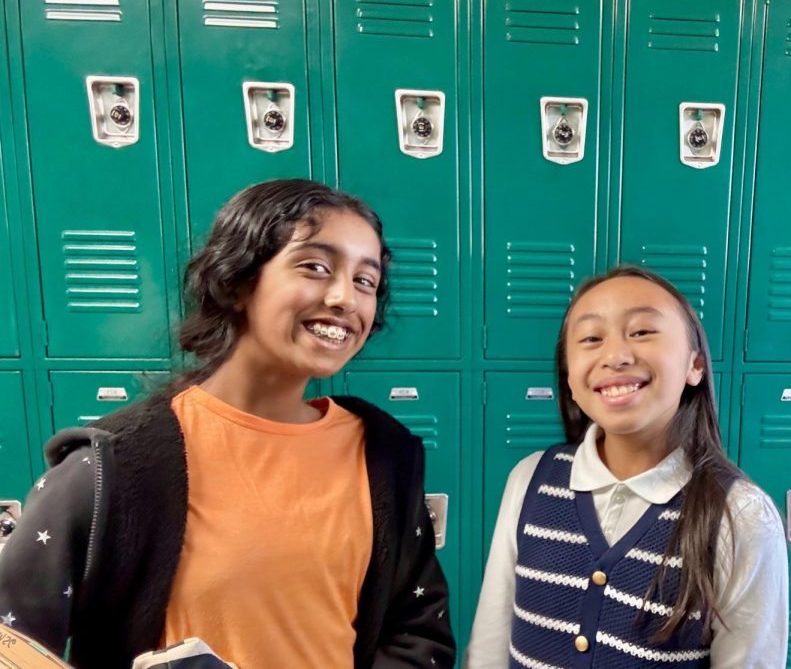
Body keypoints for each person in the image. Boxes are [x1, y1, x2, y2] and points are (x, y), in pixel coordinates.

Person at [0, 179, 455, 668]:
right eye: (315, 267)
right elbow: (11, 642)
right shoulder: (112, 466)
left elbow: (419, 628)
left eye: (366, 281)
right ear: (237, 282)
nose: (345, 297)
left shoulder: (383, 453)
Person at [467, 265, 789, 668]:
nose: (616, 356)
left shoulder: (740, 516)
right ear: (569, 377)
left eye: (642, 332)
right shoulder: (530, 479)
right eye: (590, 338)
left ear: (695, 365)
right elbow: (488, 648)